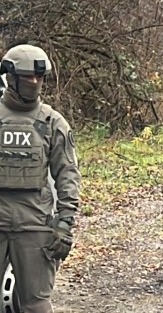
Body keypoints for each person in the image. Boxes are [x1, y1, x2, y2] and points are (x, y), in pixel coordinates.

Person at [0, 44, 81, 313]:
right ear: (11, 77)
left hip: (35, 227)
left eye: (39, 77)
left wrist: (65, 222)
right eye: (27, 77)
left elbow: (67, 174)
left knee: (35, 305)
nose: (34, 83)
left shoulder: (52, 122)